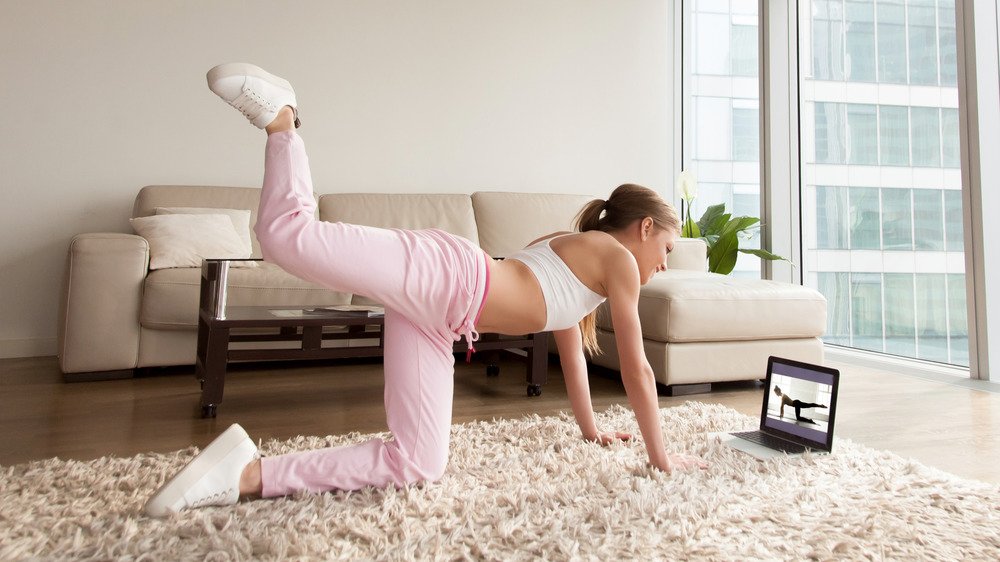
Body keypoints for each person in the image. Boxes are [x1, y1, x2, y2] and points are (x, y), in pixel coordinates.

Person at [144, 63, 708, 517]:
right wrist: (660, 458)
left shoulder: (585, 259)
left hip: (441, 319)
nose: (662, 265)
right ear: (645, 229)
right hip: (451, 276)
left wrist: (592, 431)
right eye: (665, 251)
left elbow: (569, 347)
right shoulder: (614, 259)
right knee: (286, 237)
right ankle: (284, 121)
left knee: (418, 461)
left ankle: (248, 475)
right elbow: (636, 369)